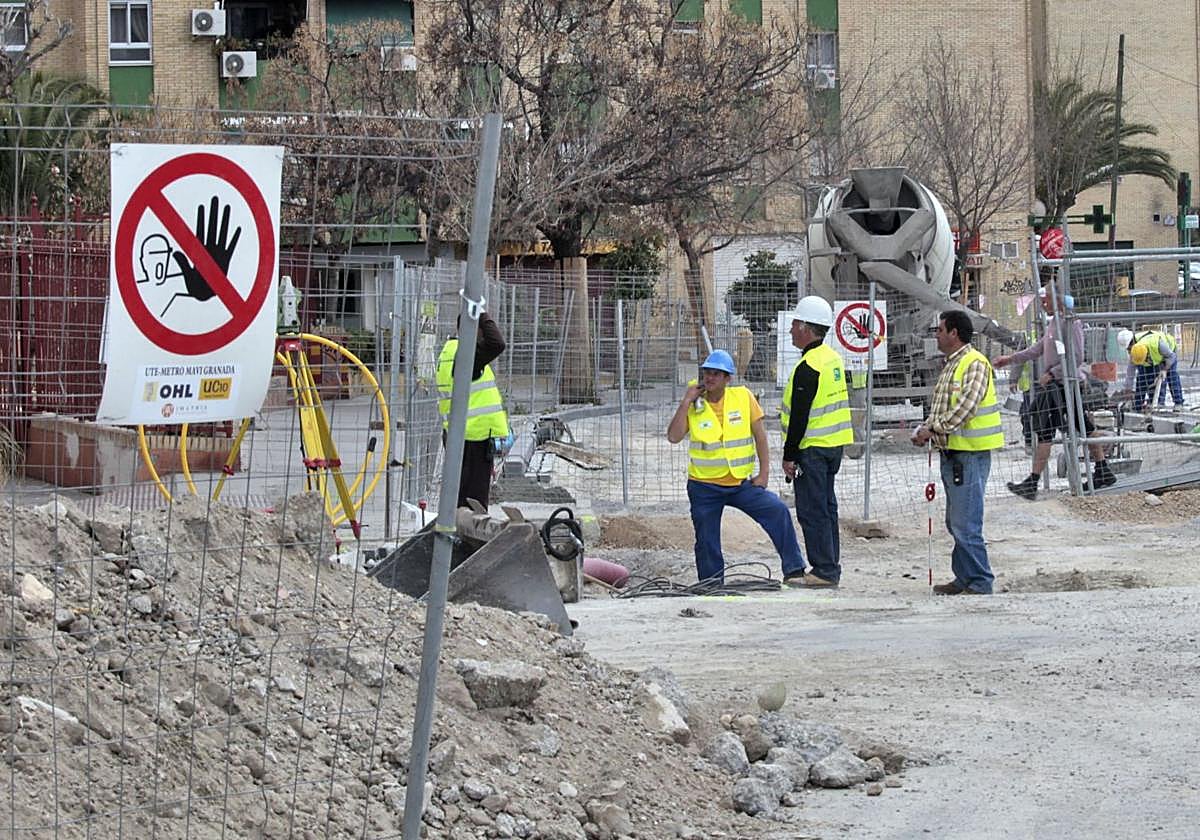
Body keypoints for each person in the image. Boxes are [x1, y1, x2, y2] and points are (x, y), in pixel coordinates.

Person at [666, 349, 805, 586]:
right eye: (707, 373)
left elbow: (760, 437)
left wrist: (763, 474)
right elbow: (673, 436)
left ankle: (794, 570)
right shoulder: (694, 403)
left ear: (727, 378)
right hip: (704, 486)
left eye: (716, 374)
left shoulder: (743, 397)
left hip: (740, 482)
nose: (709, 378)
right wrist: (686, 401)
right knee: (707, 539)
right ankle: (711, 583)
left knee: (777, 511)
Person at [911, 311, 1003, 595]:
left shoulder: (974, 363)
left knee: (966, 523)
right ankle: (964, 577)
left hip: (969, 455)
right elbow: (943, 409)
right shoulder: (953, 364)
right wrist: (926, 429)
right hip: (954, 453)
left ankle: (980, 580)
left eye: (939, 329)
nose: (936, 334)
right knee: (956, 521)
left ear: (954, 333)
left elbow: (964, 409)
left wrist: (932, 430)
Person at [994, 288, 1116, 498]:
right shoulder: (1054, 323)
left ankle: (1102, 470)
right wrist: (1011, 359)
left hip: (1065, 386)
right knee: (1048, 432)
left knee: (1081, 428)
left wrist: (1052, 373)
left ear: (1058, 300)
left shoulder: (1071, 322)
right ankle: (1033, 482)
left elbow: (1076, 357)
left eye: (1046, 299)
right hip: (1055, 387)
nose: (1043, 303)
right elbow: (1038, 348)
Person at [780, 295, 853, 588]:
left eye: (795, 324)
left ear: (807, 328)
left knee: (812, 510)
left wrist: (789, 455)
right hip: (833, 446)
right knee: (826, 508)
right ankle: (829, 565)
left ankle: (823, 570)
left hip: (812, 448)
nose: (791, 330)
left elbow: (800, 417)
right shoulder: (832, 359)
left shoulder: (808, 366)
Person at [436, 310, 509, 510]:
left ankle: (458, 535)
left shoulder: (450, 352)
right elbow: (497, 344)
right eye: (482, 331)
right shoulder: (465, 356)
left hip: (460, 434)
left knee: (460, 496)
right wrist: (481, 314)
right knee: (473, 502)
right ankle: (469, 538)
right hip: (472, 437)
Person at [1118, 327, 1184, 410]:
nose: (1128, 351)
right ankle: (1147, 403)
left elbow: (1172, 356)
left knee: (1172, 375)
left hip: (1169, 353)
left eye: (1128, 348)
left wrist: (1164, 370)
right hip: (1154, 355)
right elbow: (1130, 374)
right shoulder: (1136, 351)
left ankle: (1178, 402)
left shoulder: (1156, 344)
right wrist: (1127, 392)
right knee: (1145, 375)